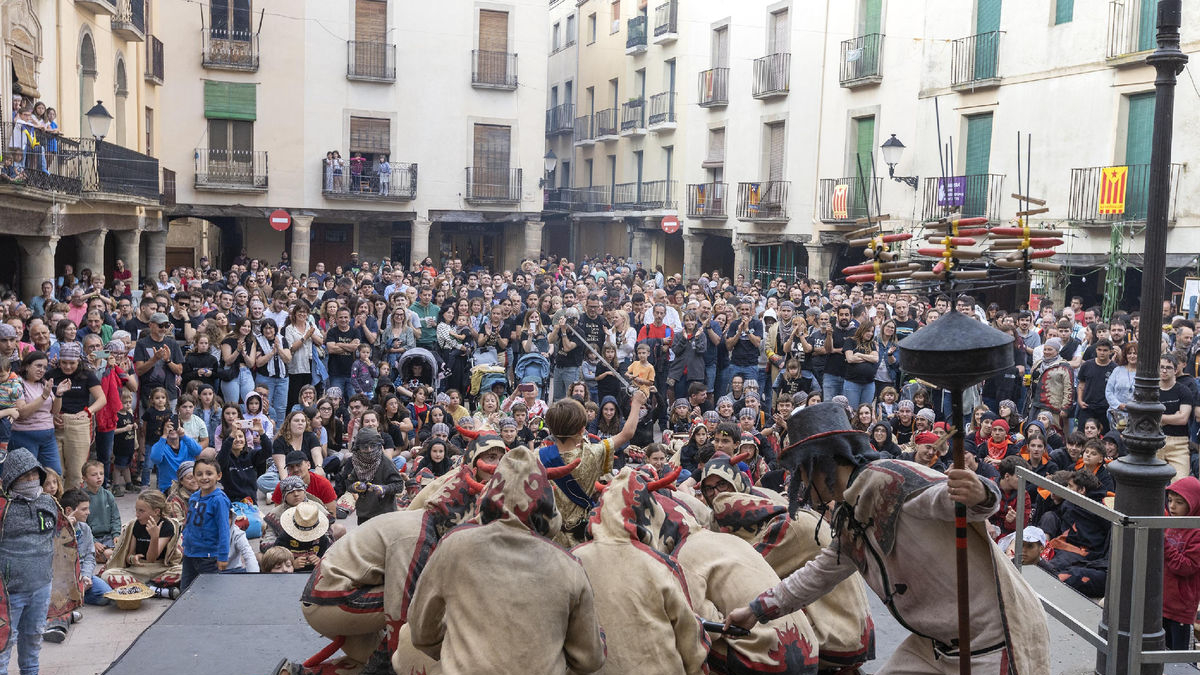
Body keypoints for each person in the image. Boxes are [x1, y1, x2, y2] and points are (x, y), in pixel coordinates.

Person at [723, 403, 1051, 674]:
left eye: (802, 472)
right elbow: (818, 575)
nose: (800, 483)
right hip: (932, 646)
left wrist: (980, 492)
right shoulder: (850, 511)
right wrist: (756, 610)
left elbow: (954, 501)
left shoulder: (893, 480)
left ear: (821, 462)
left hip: (992, 643)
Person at [406, 446, 607, 675]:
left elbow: (421, 632)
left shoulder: (454, 545)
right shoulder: (569, 565)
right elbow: (590, 659)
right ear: (546, 505)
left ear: (490, 496)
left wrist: (461, 650)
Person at [0, 448, 59, 675]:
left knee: (33, 640)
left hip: (41, 587)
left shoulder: (48, 503)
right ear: (12, 479)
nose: (31, 480)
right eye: (24, 477)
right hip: (9, 592)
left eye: (35, 475)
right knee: (4, 643)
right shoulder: (3, 509)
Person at [180, 456, 231, 590]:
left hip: (208, 557)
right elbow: (189, 523)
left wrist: (223, 556)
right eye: (199, 474)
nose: (204, 477)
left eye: (209, 473)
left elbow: (224, 530)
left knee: (208, 593)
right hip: (190, 554)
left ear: (218, 476)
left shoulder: (219, 500)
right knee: (185, 590)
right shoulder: (194, 497)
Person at [1163, 476, 1200, 651]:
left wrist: (1163, 544)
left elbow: (1186, 566)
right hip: (1162, 603)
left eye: (1179, 502)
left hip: (1181, 610)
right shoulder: (1168, 523)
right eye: (1170, 500)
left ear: (1192, 504)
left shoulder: (1197, 532)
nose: (1172, 506)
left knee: (1180, 659)